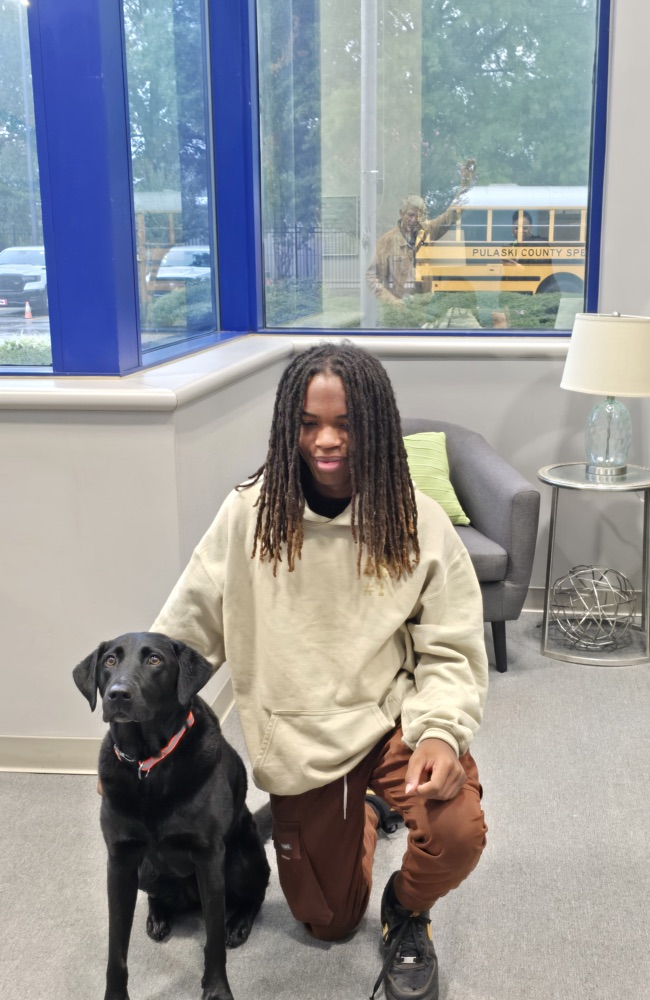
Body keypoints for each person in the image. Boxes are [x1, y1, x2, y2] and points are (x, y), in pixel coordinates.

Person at [151, 340, 488, 1000]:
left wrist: (443, 733)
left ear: (376, 425)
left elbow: (450, 649)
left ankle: (407, 910)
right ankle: (359, 809)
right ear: (288, 426)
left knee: (456, 830)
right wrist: (141, 746)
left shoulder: (416, 520)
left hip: (391, 724)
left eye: (345, 423)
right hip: (301, 740)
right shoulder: (250, 513)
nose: (326, 440)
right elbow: (186, 633)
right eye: (308, 424)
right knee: (326, 923)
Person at [367, 160, 476, 307]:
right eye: (410, 215)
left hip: (425, 307)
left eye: (419, 215)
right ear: (401, 213)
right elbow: (371, 276)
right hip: (399, 311)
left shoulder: (427, 231)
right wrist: (391, 301)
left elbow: (452, 214)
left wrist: (465, 184)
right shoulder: (387, 241)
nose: (414, 220)